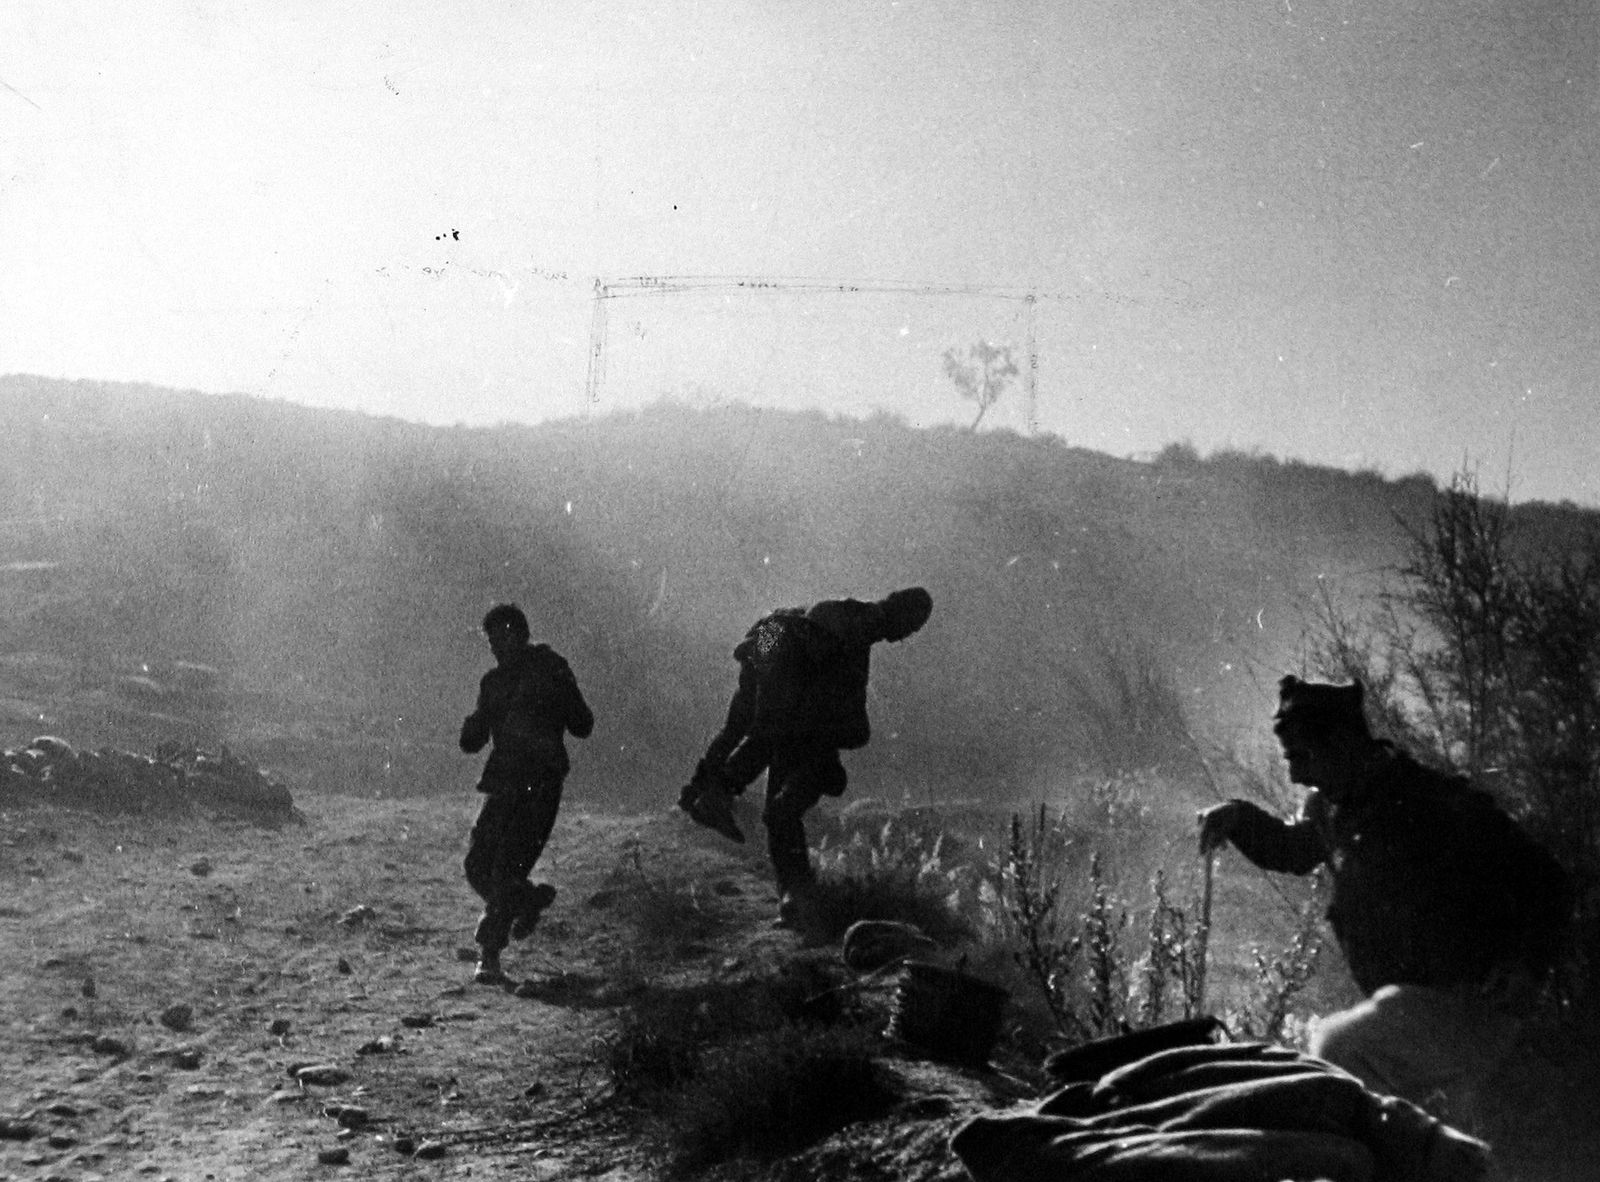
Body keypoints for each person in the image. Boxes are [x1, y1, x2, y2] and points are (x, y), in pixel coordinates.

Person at [1198, 675, 1572, 1122]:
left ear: (1341, 743)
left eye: (1302, 756)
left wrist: (1526, 968)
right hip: (1412, 1014)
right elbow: (1293, 848)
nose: (1296, 774)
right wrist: (1239, 819)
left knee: (1339, 1050)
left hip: (1471, 1009)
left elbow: (1545, 878)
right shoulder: (1333, 807)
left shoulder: (1427, 801)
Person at [680, 587, 933, 930]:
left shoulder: (850, 612)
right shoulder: (867, 622)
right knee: (768, 731)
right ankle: (718, 794)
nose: (906, 635)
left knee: (740, 726)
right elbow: (851, 714)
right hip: (781, 644)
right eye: (912, 625)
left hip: (766, 632)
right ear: (899, 610)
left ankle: (699, 789)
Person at [459, 603, 593, 985]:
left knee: (505, 870)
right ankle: (527, 900)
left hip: (540, 784)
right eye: (492, 641)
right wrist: (476, 724)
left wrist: (561, 693)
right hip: (505, 783)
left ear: (522, 635)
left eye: (504, 638)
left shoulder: (550, 670)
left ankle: (490, 951)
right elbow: (473, 739)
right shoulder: (496, 682)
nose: (497, 647)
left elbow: (583, 723)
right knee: (478, 866)